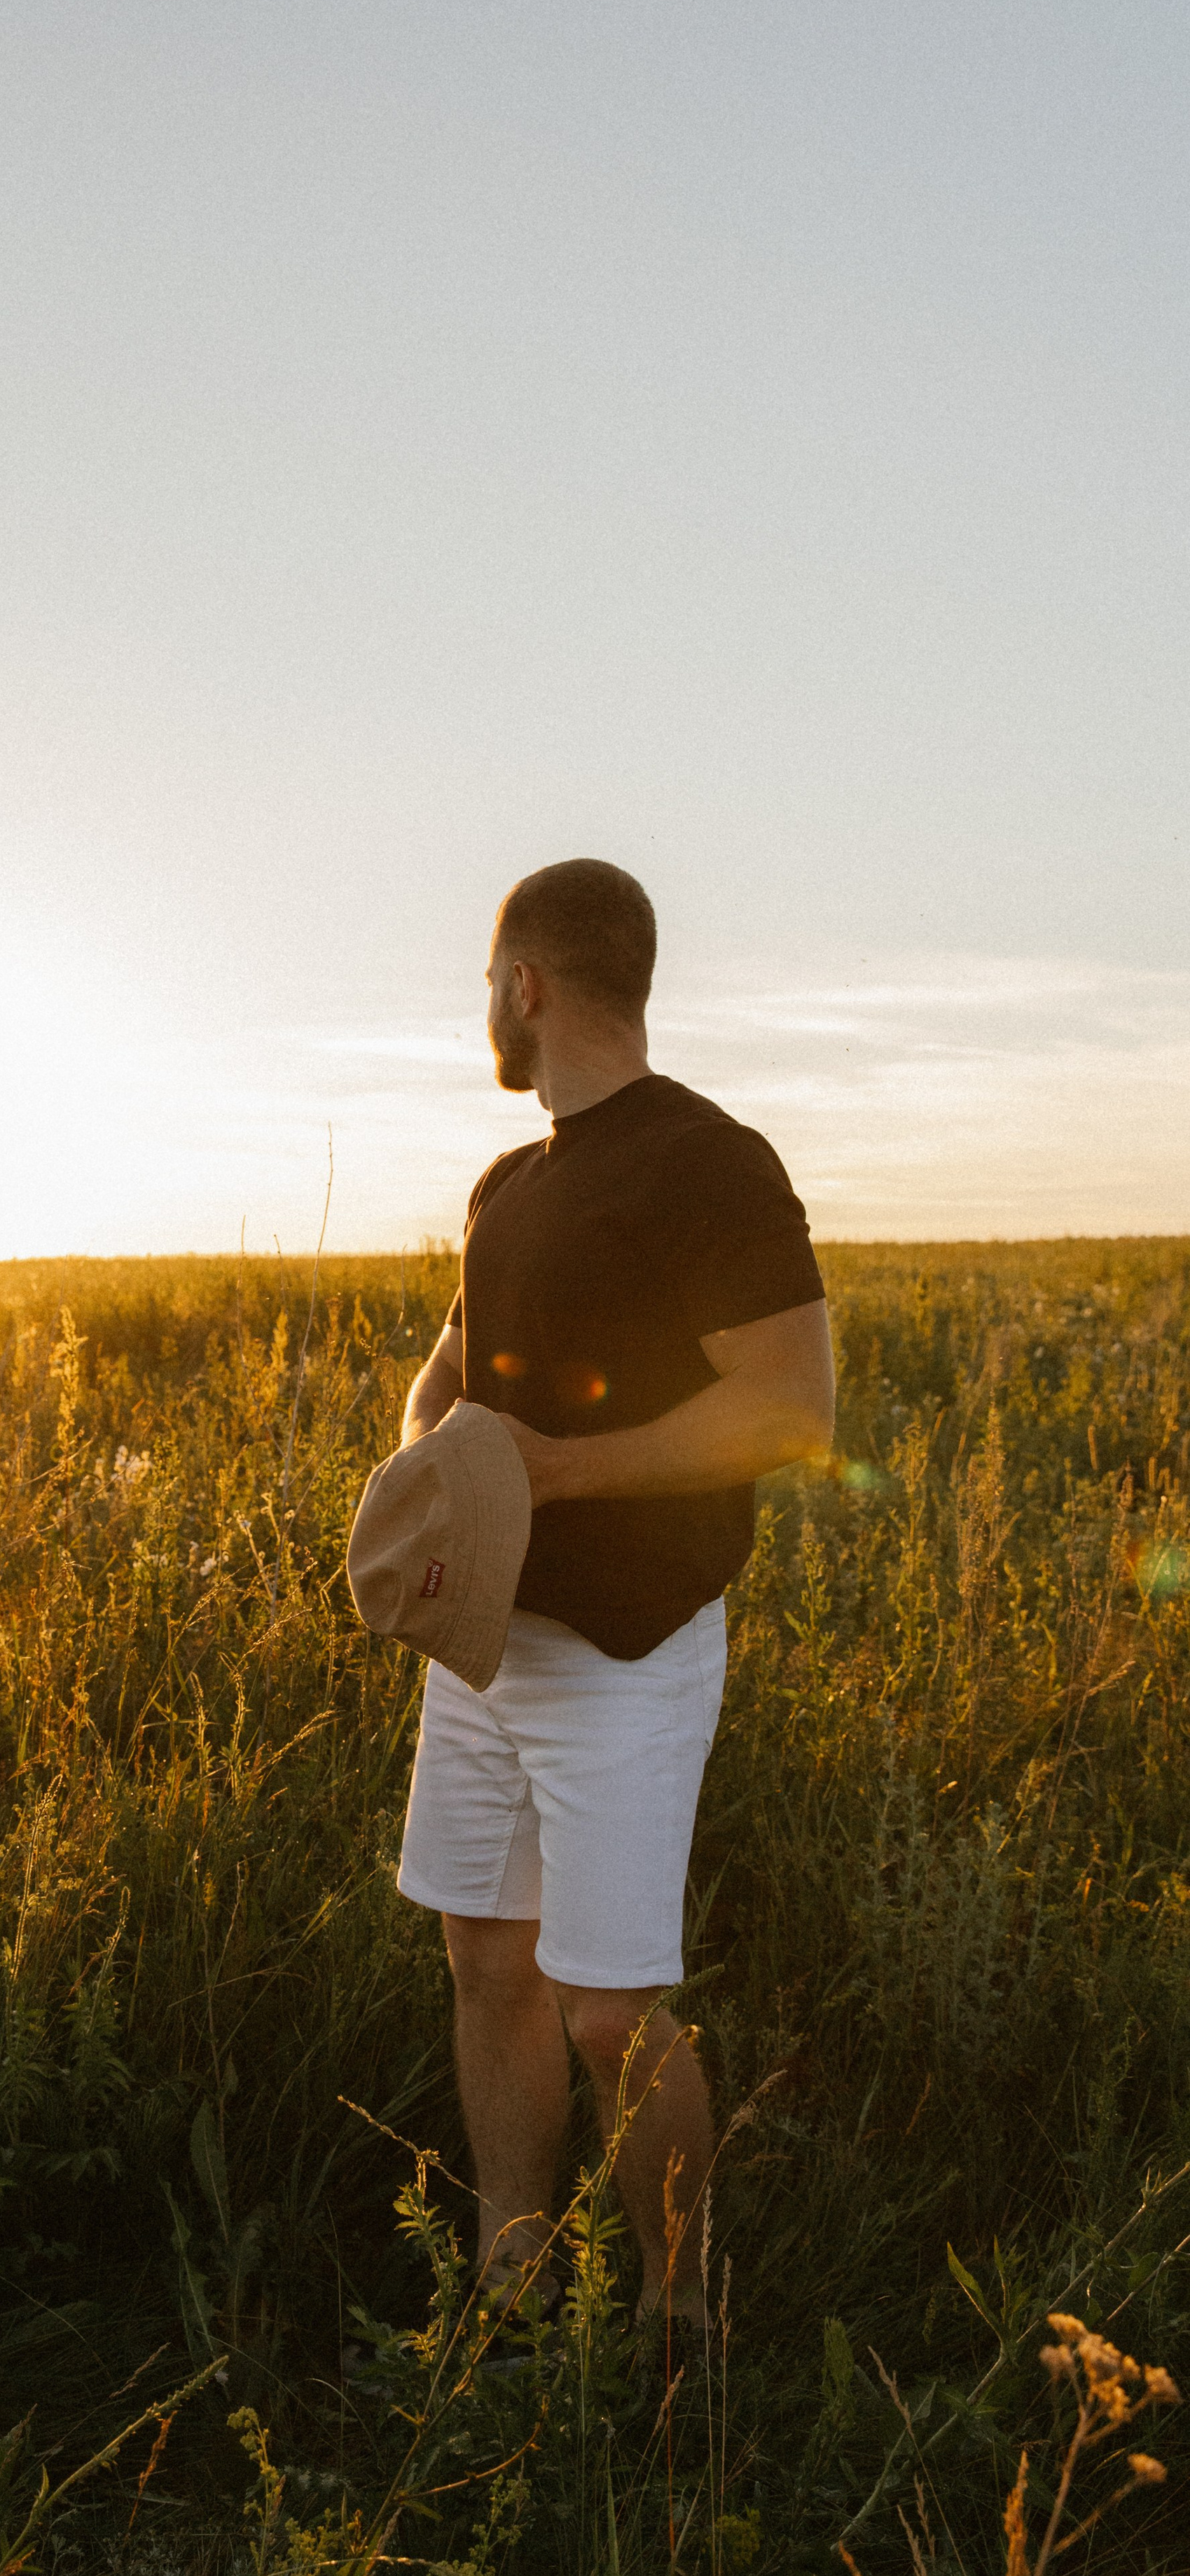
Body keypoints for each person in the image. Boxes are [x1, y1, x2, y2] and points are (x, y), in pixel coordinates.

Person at [397, 859, 833, 2332]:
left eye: (487, 982)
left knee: (605, 2010)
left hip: (628, 1654)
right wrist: (424, 1482)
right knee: (484, 1960)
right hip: (479, 1644)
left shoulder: (710, 1163)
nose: (485, 1008)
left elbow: (790, 1410)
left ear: (526, 984)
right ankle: (509, 2278)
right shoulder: (504, 1185)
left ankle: (677, 2316)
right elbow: (447, 1374)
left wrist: (555, 1474)